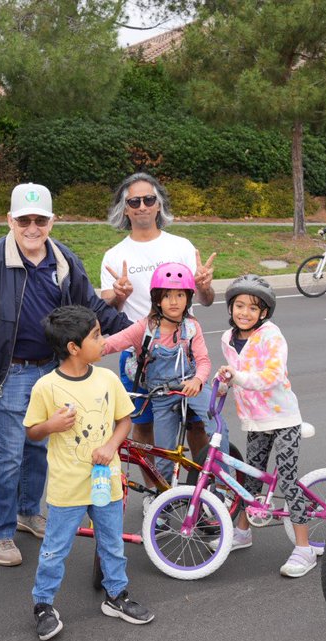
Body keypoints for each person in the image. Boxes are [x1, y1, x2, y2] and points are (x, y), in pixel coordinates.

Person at [0, 182, 132, 568]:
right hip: (10, 373)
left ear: (52, 221)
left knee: (39, 447)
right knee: (8, 456)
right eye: (25, 220)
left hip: (52, 371)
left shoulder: (62, 259)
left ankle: (28, 513)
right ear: (10, 220)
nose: (33, 227)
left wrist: (133, 330)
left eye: (41, 220)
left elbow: (90, 305)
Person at [23, 305, 154, 641]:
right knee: (55, 548)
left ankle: (116, 596)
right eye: (96, 335)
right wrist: (50, 425)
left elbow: (125, 420)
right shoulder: (46, 387)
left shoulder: (107, 379)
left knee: (111, 543)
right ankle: (43, 604)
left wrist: (111, 446)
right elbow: (32, 432)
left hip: (105, 482)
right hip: (67, 487)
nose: (103, 340)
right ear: (73, 347)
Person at [99, 172, 218, 464]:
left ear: (158, 205)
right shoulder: (113, 256)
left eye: (148, 199)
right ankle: (157, 492)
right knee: (143, 425)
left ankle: (202, 488)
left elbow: (206, 300)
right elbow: (109, 311)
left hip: (183, 352)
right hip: (138, 355)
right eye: (134, 201)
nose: (142, 206)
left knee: (196, 423)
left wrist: (203, 287)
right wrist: (119, 296)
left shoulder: (181, 246)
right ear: (124, 208)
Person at [215, 275, 316, 578]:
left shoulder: (272, 336)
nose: (244, 312)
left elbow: (271, 375)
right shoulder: (227, 339)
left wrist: (238, 378)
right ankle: (243, 532)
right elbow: (235, 376)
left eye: (252, 308)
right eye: (239, 305)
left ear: (264, 313)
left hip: (283, 417)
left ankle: (304, 548)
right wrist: (221, 384)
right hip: (254, 419)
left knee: (286, 478)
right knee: (251, 478)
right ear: (230, 307)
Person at [101, 262, 227, 484]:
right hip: (161, 395)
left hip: (191, 388)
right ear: (157, 299)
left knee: (217, 427)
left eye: (180, 295)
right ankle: (163, 502)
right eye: (167, 296)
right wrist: (83, 349)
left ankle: (222, 481)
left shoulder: (191, 327)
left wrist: (198, 380)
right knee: (165, 456)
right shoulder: (145, 327)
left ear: (188, 298)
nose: (174, 301)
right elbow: (111, 344)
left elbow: (203, 361)